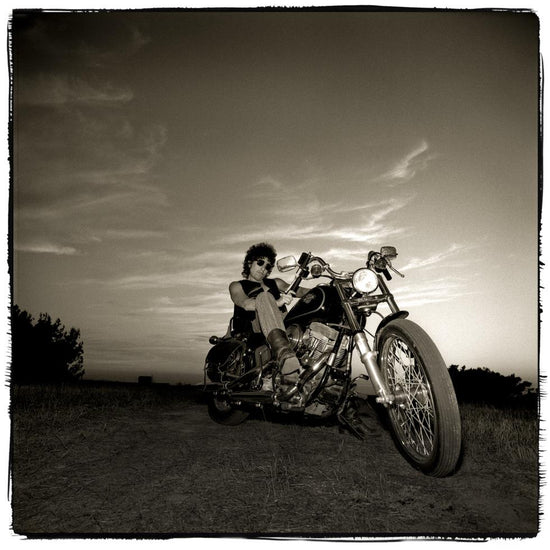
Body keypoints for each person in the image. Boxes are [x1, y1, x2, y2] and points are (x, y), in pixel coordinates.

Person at [229, 242, 308, 385]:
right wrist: (276, 303)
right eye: (260, 263)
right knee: (265, 297)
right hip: (255, 328)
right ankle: (284, 354)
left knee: (307, 313)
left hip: (282, 324)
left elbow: (301, 291)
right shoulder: (237, 285)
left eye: (268, 266)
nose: (263, 269)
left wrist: (330, 289)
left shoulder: (275, 283)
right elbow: (246, 304)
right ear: (249, 263)